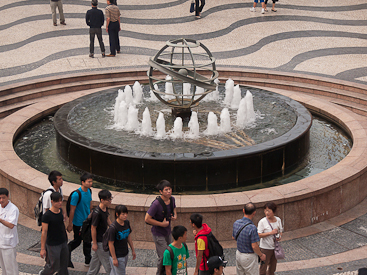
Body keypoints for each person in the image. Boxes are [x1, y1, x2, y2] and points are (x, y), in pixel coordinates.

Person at [145, 180, 177, 275]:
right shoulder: (156, 204)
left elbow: (174, 208)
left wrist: (175, 215)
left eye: (170, 189)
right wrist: (161, 224)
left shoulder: (172, 199)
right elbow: (147, 219)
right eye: (166, 190)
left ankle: (168, 272)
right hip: (158, 233)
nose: (169, 191)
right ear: (161, 192)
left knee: (170, 253)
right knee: (163, 256)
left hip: (168, 231)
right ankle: (159, 273)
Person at [67, 172, 93, 267]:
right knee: (77, 241)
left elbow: (90, 204)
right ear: (83, 182)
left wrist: (91, 216)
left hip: (87, 222)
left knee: (87, 241)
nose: (90, 183)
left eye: (91, 182)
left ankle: (88, 260)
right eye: (88, 182)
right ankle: (66, 250)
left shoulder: (89, 191)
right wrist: (70, 224)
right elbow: (72, 210)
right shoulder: (76, 194)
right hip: (78, 223)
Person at [40, 192, 69, 275]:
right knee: (54, 265)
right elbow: (44, 232)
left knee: (64, 264)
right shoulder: (47, 216)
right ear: (52, 202)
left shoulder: (60, 211)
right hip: (53, 244)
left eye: (61, 201)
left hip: (63, 242)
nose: (60, 203)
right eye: (57, 201)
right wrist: (42, 249)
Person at [232, 203, 266, 275]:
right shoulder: (252, 228)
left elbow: (233, 237)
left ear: (243, 211)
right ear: (254, 213)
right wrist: (261, 255)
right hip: (249, 257)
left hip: (238, 254)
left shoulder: (236, 223)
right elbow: (254, 246)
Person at [87, 190, 113, 275]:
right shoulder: (97, 213)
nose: (110, 201)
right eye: (108, 199)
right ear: (102, 200)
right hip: (100, 241)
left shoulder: (105, 208)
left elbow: (107, 219)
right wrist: (94, 243)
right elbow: (93, 228)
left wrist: (113, 228)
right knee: (108, 263)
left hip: (103, 239)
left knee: (95, 262)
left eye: (110, 199)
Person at [107, 205, 136, 275]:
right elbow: (110, 244)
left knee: (114, 272)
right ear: (117, 214)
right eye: (123, 214)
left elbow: (129, 236)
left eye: (126, 213)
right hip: (117, 255)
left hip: (125, 253)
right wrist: (114, 258)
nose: (125, 215)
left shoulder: (126, 223)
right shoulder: (113, 228)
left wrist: (133, 250)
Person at [257, 202, 283, 275]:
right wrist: (270, 233)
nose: (266, 212)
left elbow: (280, 231)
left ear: (273, 211)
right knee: (263, 267)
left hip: (275, 247)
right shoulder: (262, 222)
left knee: (273, 267)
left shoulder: (278, 220)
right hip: (265, 248)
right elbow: (258, 235)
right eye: (265, 210)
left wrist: (279, 236)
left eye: (268, 210)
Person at [0, 188, 19, 275]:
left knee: (11, 269)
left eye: (3, 198)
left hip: (8, 244)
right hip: (1, 242)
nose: (1, 200)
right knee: (3, 268)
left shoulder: (13, 209)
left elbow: (11, 225)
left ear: (8, 196)